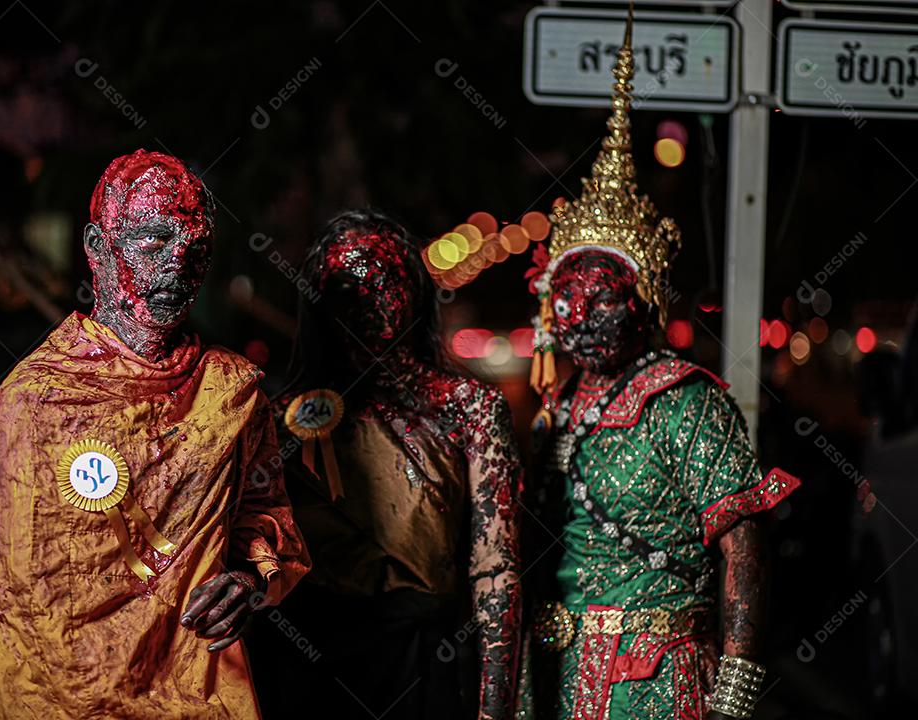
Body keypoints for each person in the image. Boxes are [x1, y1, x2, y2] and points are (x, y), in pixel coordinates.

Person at [518, 9, 801, 720]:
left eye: (600, 296)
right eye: (566, 298)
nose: (578, 316)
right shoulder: (557, 410)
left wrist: (735, 687)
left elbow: (743, 540)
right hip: (557, 675)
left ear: (642, 304)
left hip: (655, 682)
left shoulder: (683, 402)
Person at [0, 149, 310, 719]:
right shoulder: (33, 402)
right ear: (97, 250)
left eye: (194, 249)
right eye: (152, 243)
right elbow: (6, 605)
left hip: (199, 692)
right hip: (66, 700)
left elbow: (268, 517)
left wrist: (250, 576)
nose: (176, 266)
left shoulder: (232, 391)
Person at [249, 209, 521, 720]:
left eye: (382, 279)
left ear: (413, 289)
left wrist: (496, 709)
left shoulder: (469, 407)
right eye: (345, 286)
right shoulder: (281, 416)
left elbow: (496, 571)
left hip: (427, 667)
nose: (365, 299)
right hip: (310, 667)